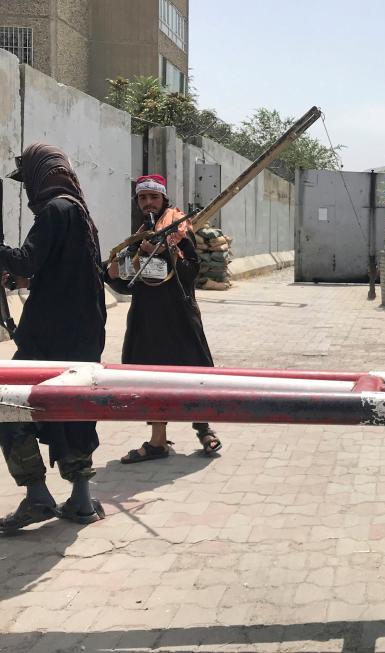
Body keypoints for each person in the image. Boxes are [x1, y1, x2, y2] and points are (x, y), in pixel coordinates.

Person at [0, 144, 107, 531]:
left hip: (49, 336)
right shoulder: (77, 211)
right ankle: (80, 500)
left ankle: (37, 496)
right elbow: (51, 269)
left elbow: (27, 260)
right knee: (74, 409)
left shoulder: (53, 211)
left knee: (7, 405)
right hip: (83, 333)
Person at [106, 174, 221, 462]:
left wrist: (167, 250)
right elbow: (128, 281)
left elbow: (191, 270)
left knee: (193, 373)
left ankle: (204, 428)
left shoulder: (179, 229)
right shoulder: (139, 235)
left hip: (179, 315)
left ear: (163, 199)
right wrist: (113, 273)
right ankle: (158, 441)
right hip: (147, 318)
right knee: (150, 376)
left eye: (153, 197)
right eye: (142, 198)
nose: (148, 203)